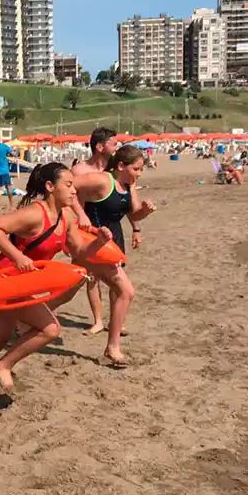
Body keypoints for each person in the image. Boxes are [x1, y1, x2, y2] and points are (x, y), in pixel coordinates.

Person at [0, 162, 113, 401]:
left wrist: (99, 243)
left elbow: (78, 252)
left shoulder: (66, 217)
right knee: (50, 328)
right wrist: (17, 257)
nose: (73, 191)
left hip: (21, 283)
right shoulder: (35, 213)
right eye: (67, 185)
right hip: (5, 280)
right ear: (50, 187)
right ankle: (3, 366)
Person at [67, 147, 156, 364]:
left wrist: (145, 211)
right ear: (121, 166)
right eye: (136, 169)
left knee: (69, 289)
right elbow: (68, 186)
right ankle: (112, 346)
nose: (139, 174)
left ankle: (26, 319)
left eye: (141, 169)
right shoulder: (101, 180)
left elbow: (133, 213)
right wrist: (80, 215)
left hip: (113, 240)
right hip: (93, 241)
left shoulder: (128, 184)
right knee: (123, 290)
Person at [66, 128, 142, 338]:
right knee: (89, 278)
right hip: (87, 227)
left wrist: (136, 228)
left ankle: (114, 321)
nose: (117, 147)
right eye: (113, 143)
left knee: (115, 276)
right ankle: (98, 320)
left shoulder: (115, 171)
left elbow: (121, 203)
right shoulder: (80, 170)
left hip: (111, 227)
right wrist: (71, 229)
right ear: (100, 146)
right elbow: (68, 197)